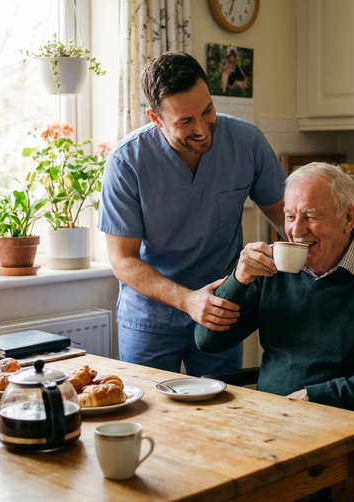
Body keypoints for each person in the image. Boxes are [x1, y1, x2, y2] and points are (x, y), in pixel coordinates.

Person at [195, 162, 354, 482]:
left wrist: (315, 396)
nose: (296, 230)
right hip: (269, 427)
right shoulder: (271, 270)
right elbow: (207, 340)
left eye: (311, 216)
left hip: (342, 430)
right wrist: (238, 279)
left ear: (348, 218)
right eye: (290, 216)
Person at [98, 51, 287, 377]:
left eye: (207, 110)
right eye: (185, 121)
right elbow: (123, 260)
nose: (202, 128)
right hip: (151, 319)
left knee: (221, 404)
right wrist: (188, 300)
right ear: (155, 118)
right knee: (150, 407)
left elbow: (287, 217)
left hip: (221, 310)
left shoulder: (247, 142)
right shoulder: (126, 162)